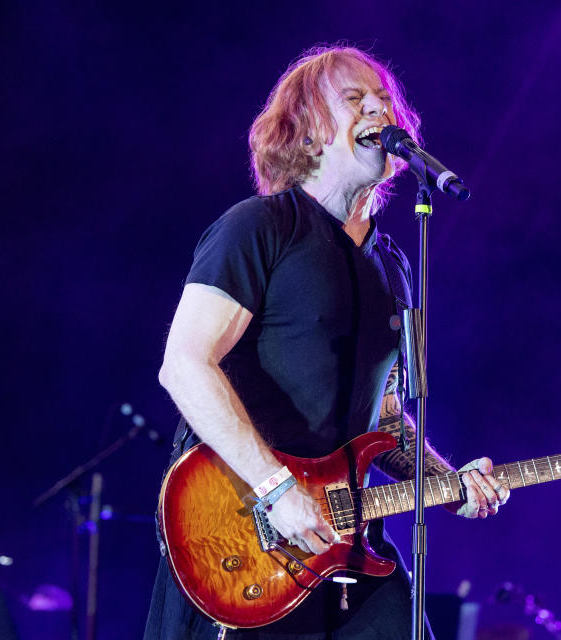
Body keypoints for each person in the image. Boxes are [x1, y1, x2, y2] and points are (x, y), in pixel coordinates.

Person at [143, 44, 510, 640]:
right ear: (308, 130)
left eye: (384, 100)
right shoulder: (259, 227)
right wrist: (276, 488)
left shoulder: (395, 266)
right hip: (244, 524)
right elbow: (184, 364)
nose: (378, 110)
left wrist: (447, 484)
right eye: (354, 99)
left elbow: (386, 419)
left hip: (349, 537)